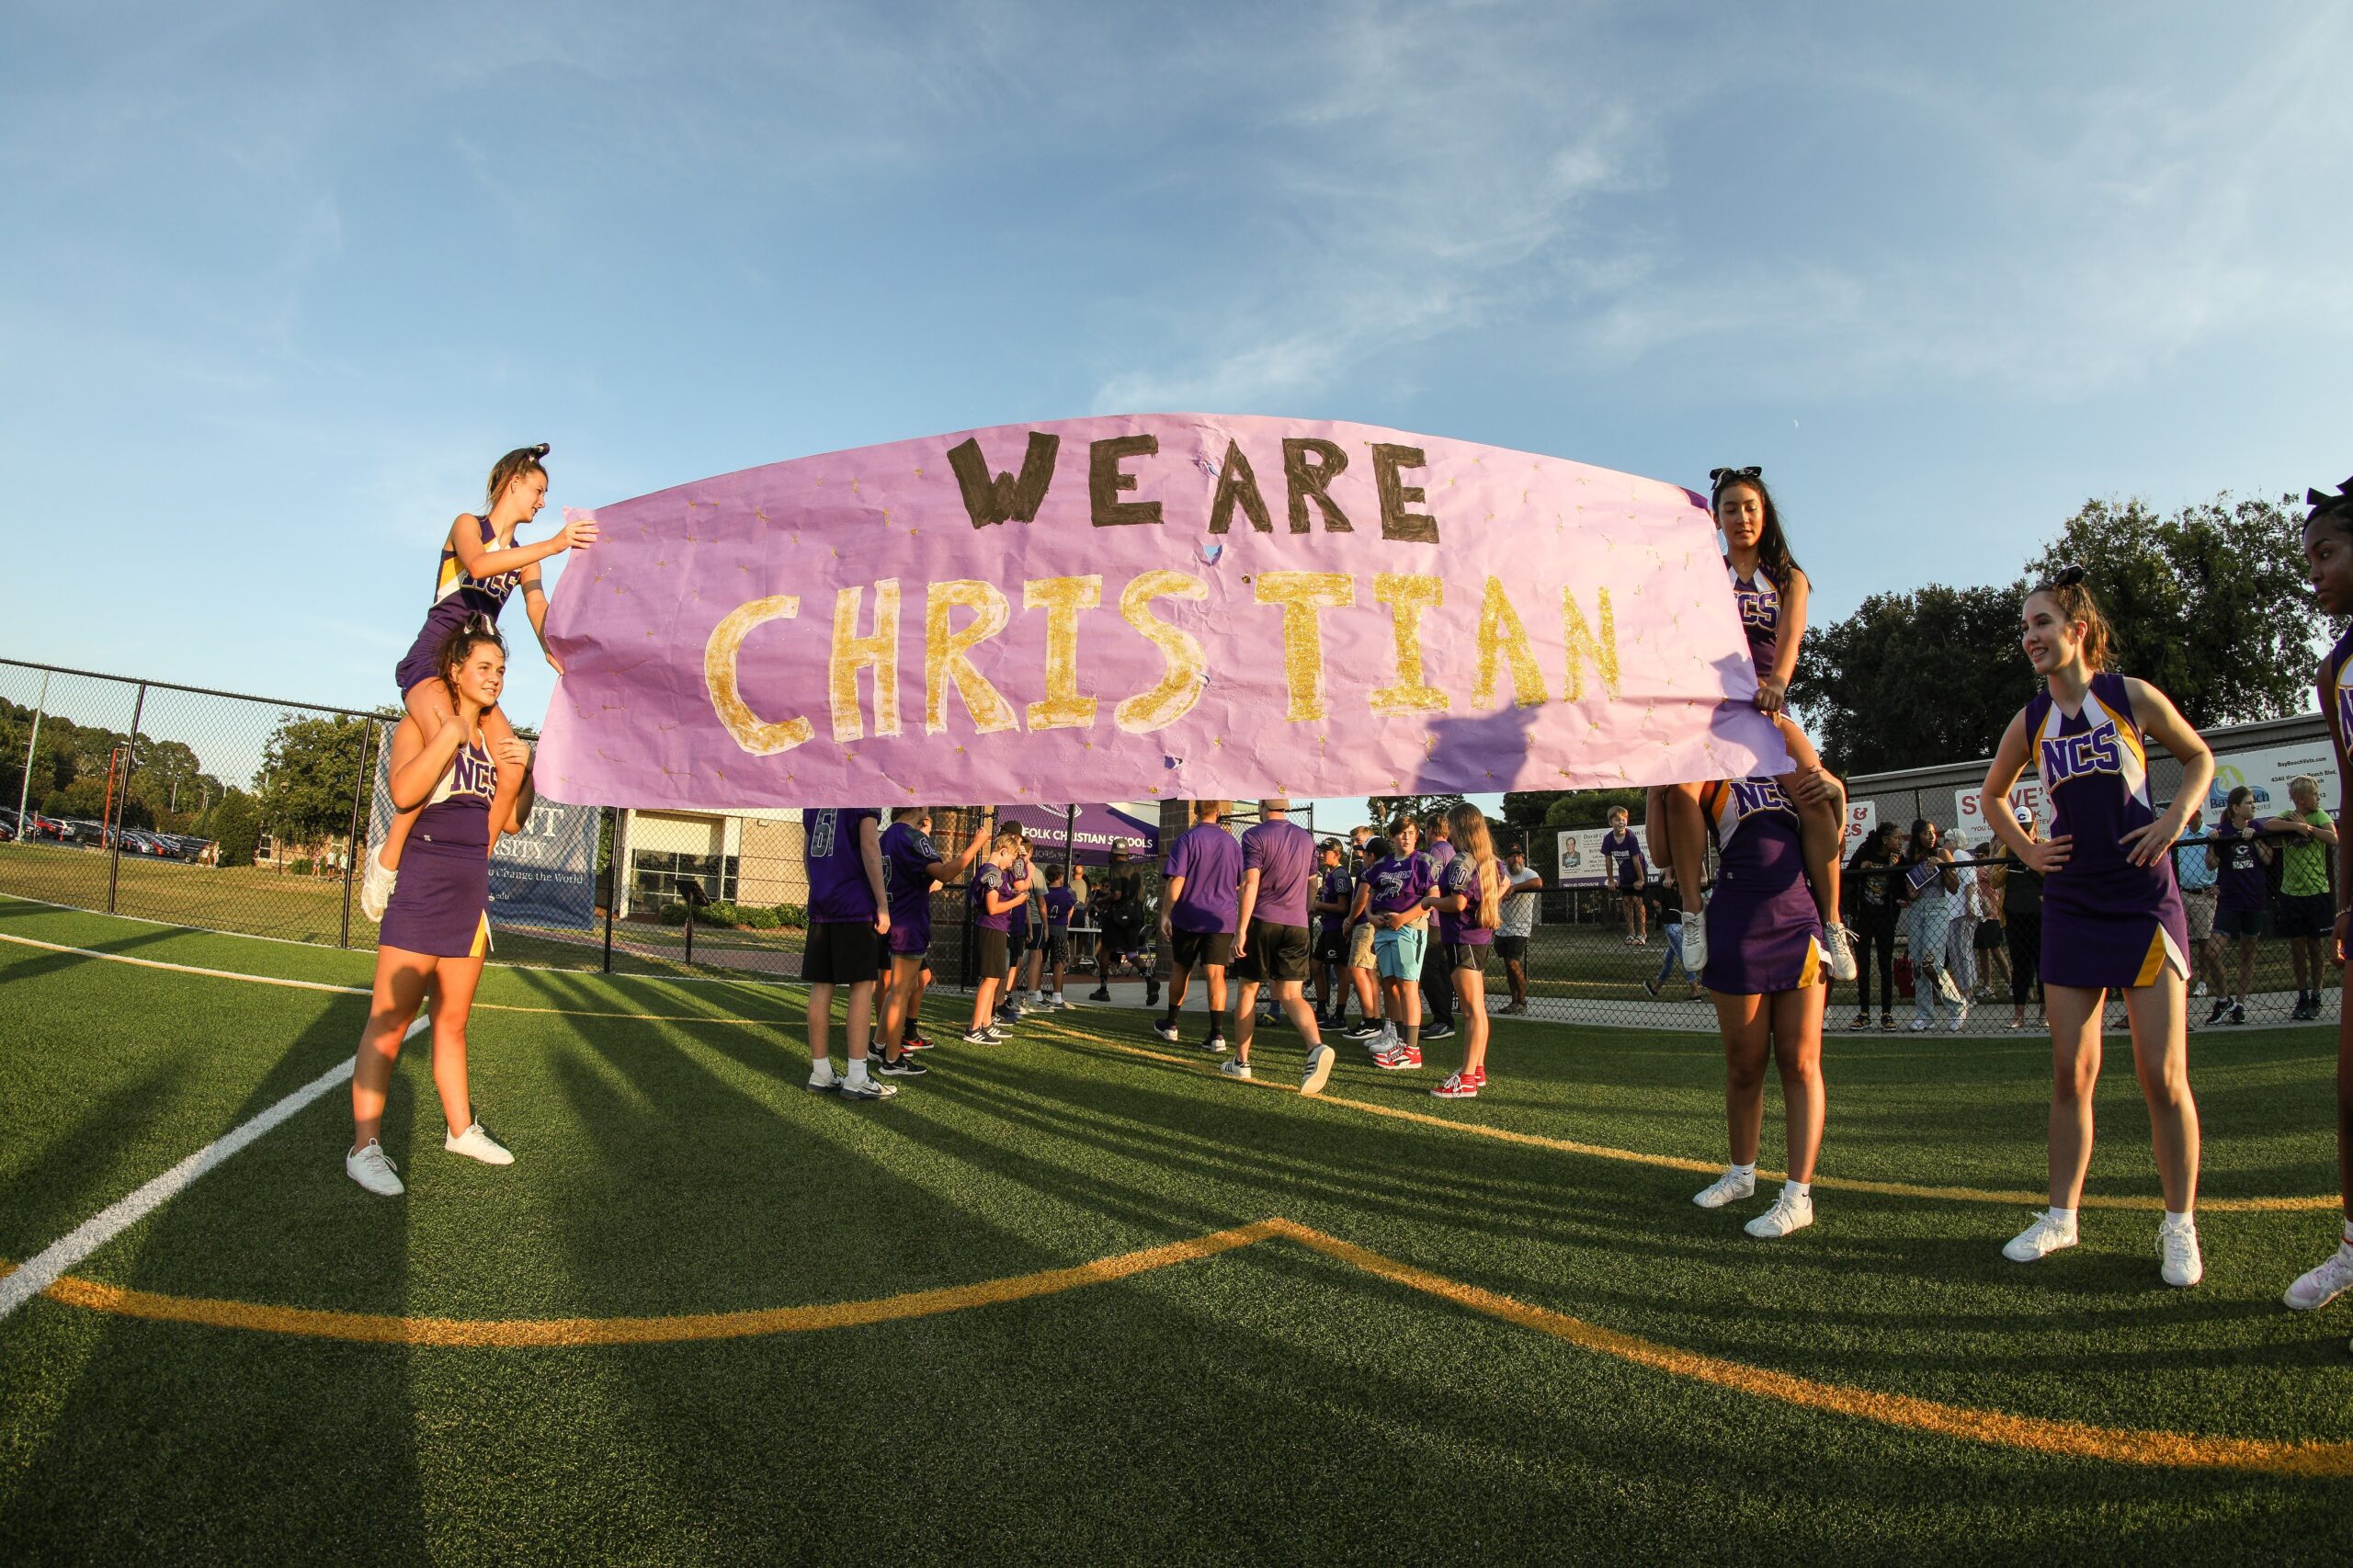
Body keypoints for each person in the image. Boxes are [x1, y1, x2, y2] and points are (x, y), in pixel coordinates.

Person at [1980, 565, 2211, 1286]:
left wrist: (2174, 820)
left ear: (2078, 630)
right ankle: (2061, 1217)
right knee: (2071, 1072)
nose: (2030, 638)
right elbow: (1993, 796)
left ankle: (2179, 1226)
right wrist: (2027, 851)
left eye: (2042, 623)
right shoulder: (2031, 719)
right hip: (2073, 904)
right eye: (2024, 628)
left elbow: (2199, 756)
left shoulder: (2128, 696)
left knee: (2160, 1075)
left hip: (2144, 901)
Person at [360, 445, 596, 921]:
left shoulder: (525, 557)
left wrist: (560, 650)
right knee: (444, 750)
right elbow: (481, 565)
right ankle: (387, 862)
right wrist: (555, 543)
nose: (543, 502)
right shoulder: (469, 525)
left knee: (511, 765)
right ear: (514, 483)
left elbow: (535, 609)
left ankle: (472, 873)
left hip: (479, 667)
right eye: (539, 490)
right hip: (435, 660)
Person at [346, 621, 536, 1195]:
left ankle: (461, 1129)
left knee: (452, 1023)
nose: (495, 678)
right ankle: (364, 1147)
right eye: (484, 667)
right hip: (424, 881)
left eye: (501, 670)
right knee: (390, 1022)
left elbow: (507, 820)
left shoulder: (491, 741)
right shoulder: (422, 726)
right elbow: (404, 793)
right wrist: (448, 734)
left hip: (470, 889)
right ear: (454, 671)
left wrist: (521, 772)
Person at [1659, 468, 1857, 989]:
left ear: (1764, 513)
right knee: (1681, 792)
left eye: (1750, 507)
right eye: (1730, 509)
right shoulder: (1704, 576)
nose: (1741, 517)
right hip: (1711, 711)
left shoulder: (1789, 577)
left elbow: (1789, 640)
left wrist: (1778, 684)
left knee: (1815, 797)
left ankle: (1833, 921)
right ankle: (1692, 913)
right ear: (1716, 520)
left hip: (1766, 706)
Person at [1675, 775, 1830, 1239]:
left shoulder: (1785, 751)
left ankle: (1798, 1196)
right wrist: (1656, 784)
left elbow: (1830, 831)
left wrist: (1836, 793)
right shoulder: (1703, 769)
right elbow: (1664, 852)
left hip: (1798, 920)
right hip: (1735, 925)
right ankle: (1741, 1175)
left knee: (1800, 1062)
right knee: (1744, 1064)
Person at [2282, 479, 2353, 1319]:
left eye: (2327, 554)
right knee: (2348, 1091)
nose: (2315, 575)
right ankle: (2349, 1245)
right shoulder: (2335, 668)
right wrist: (2342, 906)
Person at [1225, 801, 1335, 1095]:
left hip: (1263, 920)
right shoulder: (1306, 839)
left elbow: (1250, 884)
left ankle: (1242, 1062)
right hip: (1297, 925)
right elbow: (1313, 885)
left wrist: (1240, 932)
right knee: (1291, 995)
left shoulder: (1254, 836)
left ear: (1262, 805)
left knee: (1248, 989)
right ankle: (1316, 1046)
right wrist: (1305, 911)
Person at [877, 808, 986, 1071]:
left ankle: (879, 1044)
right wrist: (976, 845)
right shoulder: (913, 836)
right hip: (909, 920)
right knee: (901, 991)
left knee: (897, 989)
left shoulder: (886, 836)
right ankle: (892, 1058)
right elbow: (945, 873)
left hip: (893, 915)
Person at [800, 806, 895, 1100]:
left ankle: (821, 1071)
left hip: (823, 902)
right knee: (862, 985)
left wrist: (818, 890)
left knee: (822, 983)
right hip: (853, 904)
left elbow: (808, 853)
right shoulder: (862, 791)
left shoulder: (814, 799)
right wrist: (881, 903)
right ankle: (856, 1076)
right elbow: (869, 845)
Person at [1429, 805, 1506, 1097]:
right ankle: (1477, 1069)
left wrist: (1430, 904)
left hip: (1462, 939)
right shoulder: (1490, 861)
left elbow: (1458, 903)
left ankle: (1468, 1077)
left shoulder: (1463, 860)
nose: (1448, 832)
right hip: (1477, 938)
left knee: (1472, 1011)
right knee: (1478, 1009)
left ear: (1460, 828)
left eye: (1451, 826)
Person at [1155, 801, 1243, 1052]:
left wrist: (1165, 914)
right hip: (1220, 918)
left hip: (1188, 915)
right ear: (1219, 811)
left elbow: (1177, 879)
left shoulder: (1186, 839)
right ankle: (1217, 1034)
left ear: (1196, 811)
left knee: (1180, 969)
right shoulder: (1232, 843)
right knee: (1216, 975)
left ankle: (1171, 1024)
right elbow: (1239, 883)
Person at [1354, 817, 1438, 1068]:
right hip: (1384, 929)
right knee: (1388, 983)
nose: (1406, 837)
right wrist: (1370, 916)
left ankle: (1411, 1049)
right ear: (1392, 836)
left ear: (1417, 836)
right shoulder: (1383, 863)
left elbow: (1432, 897)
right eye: (1402, 833)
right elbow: (1370, 893)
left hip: (1409, 928)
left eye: (1411, 833)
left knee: (1408, 984)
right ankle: (1395, 1035)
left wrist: (1404, 918)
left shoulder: (1423, 861)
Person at [2262, 775, 2338, 1021]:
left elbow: (2332, 838)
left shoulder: (2320, 816)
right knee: (2297, 947)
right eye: (2315, 795)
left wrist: (2309, 828)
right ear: (2302, 799)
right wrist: (2295, 826)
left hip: (2317, 891)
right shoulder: (2288, 816)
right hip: (2291, 893)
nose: (2318, 798)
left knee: (2316, 946)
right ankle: (2302, 994)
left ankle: (2317, 994)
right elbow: (2269, 826)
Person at [2210, 785, 2271, 1028]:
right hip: (2229, 901)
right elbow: (2210, 864)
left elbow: (2268, 859)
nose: (2253, 806)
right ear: (2235, 808)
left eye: (2254, 802)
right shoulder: (2222, 831)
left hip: (2254, 900)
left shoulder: (2257, 828)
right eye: (2248, 802)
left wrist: (2253, 839)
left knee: (2248, 953)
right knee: (2212, 952)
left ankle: (2240, 1004)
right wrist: (2213, 843)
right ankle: (2223, 998)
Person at [1897, 821, 1965, 1032]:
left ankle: (1957, 1006)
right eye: (1926, 833)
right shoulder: (1909, 858)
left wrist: (1942, 867)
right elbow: (1907, 890)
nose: (1931, 836)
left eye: (1933, 832)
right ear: (1917, 836)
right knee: (1918, 964)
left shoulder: (1942, 853)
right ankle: (1924, 1015)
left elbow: (1954, 887)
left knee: (1931, 962)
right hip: (1917, 910)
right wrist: (1909, 893)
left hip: (1938, 908)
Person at [965, 829, 1027, 1043]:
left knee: (993, 978)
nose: (1011, 863)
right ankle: (975, 1027)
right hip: (991, 926)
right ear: (1002, 852)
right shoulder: (993, 872)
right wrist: (1016, 902)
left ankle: (986, 1023)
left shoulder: (991, 870)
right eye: (1010, 857)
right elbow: (992, 907)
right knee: (989, 979)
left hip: (996, 927)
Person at [1845, 823, 1904, 1029]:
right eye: (1897, 838)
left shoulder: (1898, 859)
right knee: (1863, 965)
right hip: (1863, 917)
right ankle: (1864, 1012)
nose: (1900, 842)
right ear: (1885, 840)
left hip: (1885, 918)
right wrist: (1861, 871)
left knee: (1885, 964)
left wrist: (1895, 869)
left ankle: (1887, 1013)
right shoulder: (1865, 852)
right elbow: (1847, 879)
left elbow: (1900, 890)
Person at [2173, 802, 2226, 1009]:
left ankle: (2203, 982)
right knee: (2180, 939)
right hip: (2183, 894)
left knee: (2205, 941)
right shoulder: (2180, 835)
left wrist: (2219, 885)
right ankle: (2183, 980)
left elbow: (2222, 862)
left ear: (2197, 813)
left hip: (2204, 895)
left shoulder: (2211, 835)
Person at [2000, 807, 2047, 1030]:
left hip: (2041, 915)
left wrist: (2034, 859)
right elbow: (1994, 879)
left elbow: (2056, 873)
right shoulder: (2006, 850)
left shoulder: (2045, 845)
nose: (2024, 834)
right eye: (2019, 830)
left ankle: (2044, 1012)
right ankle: (2019, 1013)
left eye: (2027, 829)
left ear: (2035, 827)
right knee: (2021, 966)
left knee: (2043, 964)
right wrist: (2005, 859)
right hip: (2015, 915)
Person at [1341, 836, 1390, 1042]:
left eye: (1365, 852)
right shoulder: (1389, 867)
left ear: (1372, 855)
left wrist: (1350, 921)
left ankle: (1369, 1020)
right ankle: (1375, 1020)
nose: (1362, 855)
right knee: (1370, 972)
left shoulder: (1370, 870)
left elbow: (1361, 898)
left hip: (1365, 923)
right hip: (1378, 922)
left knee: (1357, 969)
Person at [1310, 839, 1354, 1025]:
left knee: (1340, 970)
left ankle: (1339, 1014)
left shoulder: (1341, 875)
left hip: (1337, 930)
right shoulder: (1330, 873)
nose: (1321, 855)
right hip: (1328, 928)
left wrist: (1318, 905)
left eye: (1325, 852)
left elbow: (1343, 907)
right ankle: (1321, 1009)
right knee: (1315, 966)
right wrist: (1319, 909)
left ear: (1336, 854)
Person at [1495, 846, 1543, 1014]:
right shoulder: (1503, 875)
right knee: (1508, 966)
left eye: (1519, 856)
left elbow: (1538, 883)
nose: (1516, 859)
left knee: (1513, 962)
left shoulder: (1527, 873)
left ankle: (1522, 1000)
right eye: (1512, 856)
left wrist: (1514, 888)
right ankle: (1514, 1000)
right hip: (1502, 926)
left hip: (1520, 927)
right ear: (1506, 859)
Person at [1642, 881, 1701, 1001]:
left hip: (1671, 924)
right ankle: (1656, 988)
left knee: (1684, 957)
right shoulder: (1680, 881)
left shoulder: (1663, 883)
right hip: (1682, 922)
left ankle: (1695, 991)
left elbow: (1656, 903)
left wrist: (1657, 907)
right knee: (1669, 958)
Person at [1600, 806, 1648, 945]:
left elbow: (1636, 860)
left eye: (1623, 819)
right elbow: (1608, 861)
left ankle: (1642, 933)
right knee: (1626, 901)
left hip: (1638, 871)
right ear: (1610, 822)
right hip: (1625, 873)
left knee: (1637, 901)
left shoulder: (1630, 836)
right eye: (1617, 820)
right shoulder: (1608, 839)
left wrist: (1641, 879)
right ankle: (1631, 933)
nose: (1621, 822)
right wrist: (1610, 880)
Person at [1033, 864, 1077, 1010]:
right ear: (1060, 876)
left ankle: (1037, 993)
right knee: (1059, 963)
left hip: (1044, 927)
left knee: (1040, 960)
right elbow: (1070, 909)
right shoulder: (1067, 893)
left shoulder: (1044, 892)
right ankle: (1057, 997)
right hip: (1059, 928)